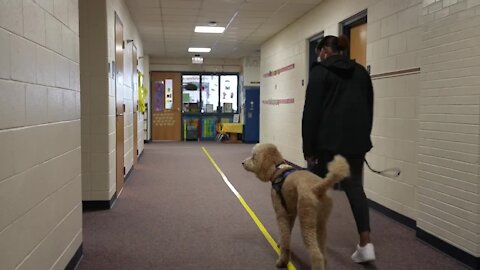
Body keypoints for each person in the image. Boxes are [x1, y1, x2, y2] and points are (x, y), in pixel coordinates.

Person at [302, 35, 375, 263]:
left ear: (324, 51)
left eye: (319, 52)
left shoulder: (320, 71)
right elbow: (368, 107)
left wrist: (308, 147)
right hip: (355, 142)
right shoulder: (361, 72)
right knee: (355, 188)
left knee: (314, 188)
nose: (318, 56)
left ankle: (312, 240)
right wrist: (363, 139)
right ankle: (365, 244)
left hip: (326, 142)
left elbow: (311, 113)